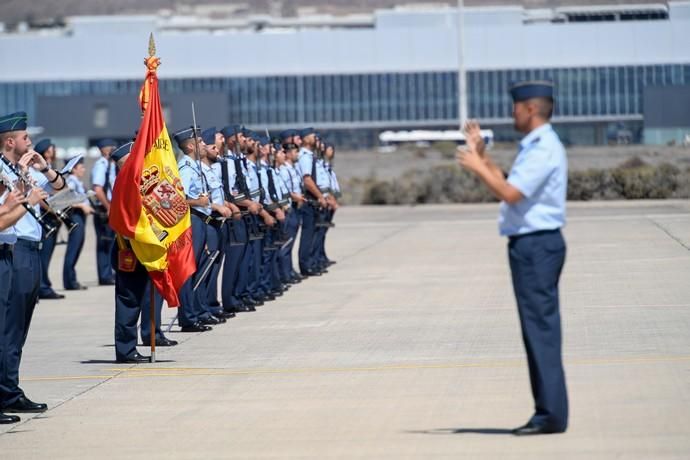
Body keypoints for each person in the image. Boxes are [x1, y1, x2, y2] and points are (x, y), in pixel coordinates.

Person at [457, 79, 568, 436]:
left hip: (537, 246)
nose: (512, 113)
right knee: (536, 330)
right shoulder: (535, 145)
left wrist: (476, 166)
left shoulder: (542, 147)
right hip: (531, 245)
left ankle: (550, 414)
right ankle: (547, 411)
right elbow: (508, 181)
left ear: (531, 109)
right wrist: (483, 156)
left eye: (516, 107)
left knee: (541, 331)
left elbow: (511, 192)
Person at [0, 111, 66, 415]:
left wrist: (45, 169)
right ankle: (6, 391)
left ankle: (10, 389)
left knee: (19, 326)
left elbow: (62, 192)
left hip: (29, 248)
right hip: (16, 250)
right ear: (11, 141)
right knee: (8, 327)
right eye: (26, 137)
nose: (31, 142)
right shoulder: (3, 171)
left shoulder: (18, 169)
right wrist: (25, 192)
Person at [34, 138, 65, 300]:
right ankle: (43, 288)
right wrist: (54, 211)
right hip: (46, 216)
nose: (55, 150)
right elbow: (39, 196)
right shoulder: (37, 169)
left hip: (52, 215)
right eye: (52, 148)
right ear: (47, 151)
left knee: (48, 254)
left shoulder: (49, 168)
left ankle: (44, 285)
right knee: (43, 256)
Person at [62, 157, 93, 290]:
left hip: (80, 216)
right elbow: (66, 200)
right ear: (73, 169)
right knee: (73, 249)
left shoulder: (76, 182)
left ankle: (72, 280)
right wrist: (82, 206)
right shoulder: (71, 182)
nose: (83, 169)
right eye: (81, 167)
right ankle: (70, 281)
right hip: (75, 216)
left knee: (77, 248)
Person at [91, 139, 118, 286]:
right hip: (104, 209)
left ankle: (108, 272)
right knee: (104, 243)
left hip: (110, 207)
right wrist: (108, 208)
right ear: (103, 150)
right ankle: (105, 275)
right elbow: (98, 189)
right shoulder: (101, 165)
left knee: (110, 242)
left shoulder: (110, 165)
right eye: (110, 148)